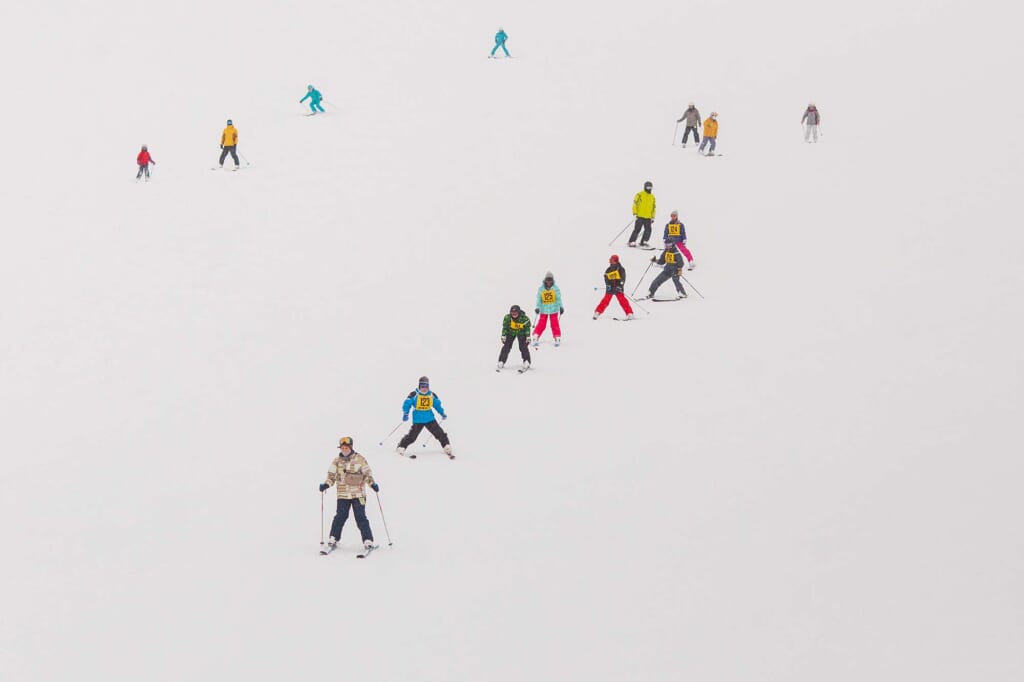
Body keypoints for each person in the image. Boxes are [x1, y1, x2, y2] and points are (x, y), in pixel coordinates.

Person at [318, 436, 377, 552]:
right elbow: (331, 476)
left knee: (361, 517)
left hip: (358, 495)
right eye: (342, 448)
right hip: (343, 495)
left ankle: (368, 540)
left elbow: (367, 474)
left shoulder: (360, 459)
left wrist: (372, 484)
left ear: (351, 447)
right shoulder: (336, 461)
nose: (344, 450)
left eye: (346, 447)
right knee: (340, 517)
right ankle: (333, 538)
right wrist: (326, 484)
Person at [397, 376, 453, 458]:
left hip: (430, 419)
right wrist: (406, 413)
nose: (424, 388)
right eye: (422, 386)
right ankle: (401, 446)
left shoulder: (431, 395)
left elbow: (437, 405)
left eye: (426, 386)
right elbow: (407, 403)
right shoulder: (414, 394)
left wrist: (442, 413)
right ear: (419, 386)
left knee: (439, 433)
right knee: (412, 437)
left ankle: (446, 446)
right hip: (418, 420)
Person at [593, 255, 634, 319]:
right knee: (605, 300)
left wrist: (620, 286)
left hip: (618, 288)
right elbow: (606, 278)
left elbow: (623, 279)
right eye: (610, 259)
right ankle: (597, 312)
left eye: (611, 259)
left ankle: (629, 313)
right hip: (610, 288)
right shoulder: (608, 269)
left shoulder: (621, 269)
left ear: (615, 260)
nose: (610, 261)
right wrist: (608, 285)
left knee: (623, 301)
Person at [533, 272, 563, 348]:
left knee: (554, 324)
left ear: (552, 280)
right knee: (542, 323)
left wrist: (561, 307)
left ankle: (557, 337)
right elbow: (539, 300)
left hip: (554, 309)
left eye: (550, 280)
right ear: (545, 280)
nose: (549, 281)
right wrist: (537, 307)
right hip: (544, 309)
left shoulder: (556, 289)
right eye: (547, 280)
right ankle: (536, 336)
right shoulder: (541, 289)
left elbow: (558, 299)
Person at [498, 304, 532, 369]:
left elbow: (527, 328)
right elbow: (505, 327)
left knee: (523, 347)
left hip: (521, 333)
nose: (514, 314)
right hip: (511, 332)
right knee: (506, 346)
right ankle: (501, 361)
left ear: (519, 312)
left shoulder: (524, 318)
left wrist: (528, 336)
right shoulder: (507, 318)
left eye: (515, 313)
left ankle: (526, 361)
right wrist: (503, 335)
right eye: (512, 313)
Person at [628, 181, 657, 247]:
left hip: (648, 217)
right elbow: (635, 204)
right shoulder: (639, 194)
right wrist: (635, 213)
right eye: (648, 187)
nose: (649, 188)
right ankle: (632, 241)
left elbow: (654, 208)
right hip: (640, 216)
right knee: (637, 229)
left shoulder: (652, 197)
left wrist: (653, 217)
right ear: (645, 187)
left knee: (648, 230)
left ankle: (644, 241)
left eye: (650, 187)